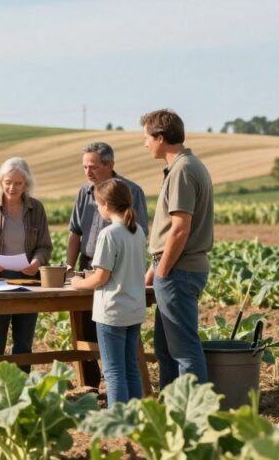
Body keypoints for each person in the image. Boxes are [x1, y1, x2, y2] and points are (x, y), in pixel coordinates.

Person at [141, 109, 214, 388]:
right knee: (166, 347)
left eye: (147, 138)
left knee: (183, 348)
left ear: (160, 137)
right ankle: (173, 403)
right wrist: (154, 270)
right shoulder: (186, 166)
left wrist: (163, 270)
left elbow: (180, 229)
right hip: (175, 269)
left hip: (179, 271)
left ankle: (193, 410)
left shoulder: (183, 170)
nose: (145, 144)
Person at [0, 157, 52, 368]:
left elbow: (44, 246)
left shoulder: (36, 209)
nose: (12, 188)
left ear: (26, 185)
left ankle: (21, 388)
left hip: (28, 281)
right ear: (0, 181)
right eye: (8, 182)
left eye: (18, 183)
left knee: (23, 342)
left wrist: (36, 262)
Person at [71, 178, 147, 406]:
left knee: (113, 371)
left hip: (112, 311)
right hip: (134, 309)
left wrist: (76, 282)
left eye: (97, 203)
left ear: (105, 204)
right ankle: (134, 414)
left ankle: (118, 419)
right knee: (130, 367)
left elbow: (101, 277)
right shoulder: (138, 230)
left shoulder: (109, 234)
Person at [66, 142, 148, 271]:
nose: (88, 172)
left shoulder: (132, 191)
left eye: (93, 167)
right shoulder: (83, 192)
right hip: (86, 266)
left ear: (110, 165)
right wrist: (69, 268)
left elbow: (140, 233)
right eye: (85, 167)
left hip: (118, 267)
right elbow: (75, 233)